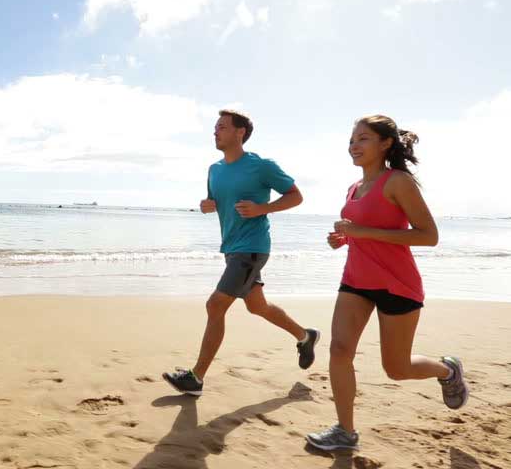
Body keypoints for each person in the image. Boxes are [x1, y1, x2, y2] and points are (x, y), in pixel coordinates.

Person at [306, 115, 469, 451]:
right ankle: (345, 432)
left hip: (398, 285)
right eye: (352, 140)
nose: (354, 146)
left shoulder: (398, 182)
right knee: (339, 349)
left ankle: (447, 371)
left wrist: (360, 232)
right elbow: (361, 234)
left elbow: (429, 236)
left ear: (386, 143)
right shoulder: (353, 188)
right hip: (355, 281)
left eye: (363, 138)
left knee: (396, 368)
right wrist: (343, 240)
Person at [162, 109, 320, 397]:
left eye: (221, 127)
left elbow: (296, 196)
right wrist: (206, 205)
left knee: (215, 305)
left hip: (253, 247)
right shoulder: (214, 169)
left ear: (240, 133)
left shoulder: (261, 166)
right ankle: (305, 336)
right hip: (231, 248)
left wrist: (264, 208)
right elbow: (213, 201)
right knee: (257, 307)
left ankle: (196, 378)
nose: (215, 131)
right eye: (215, 127)